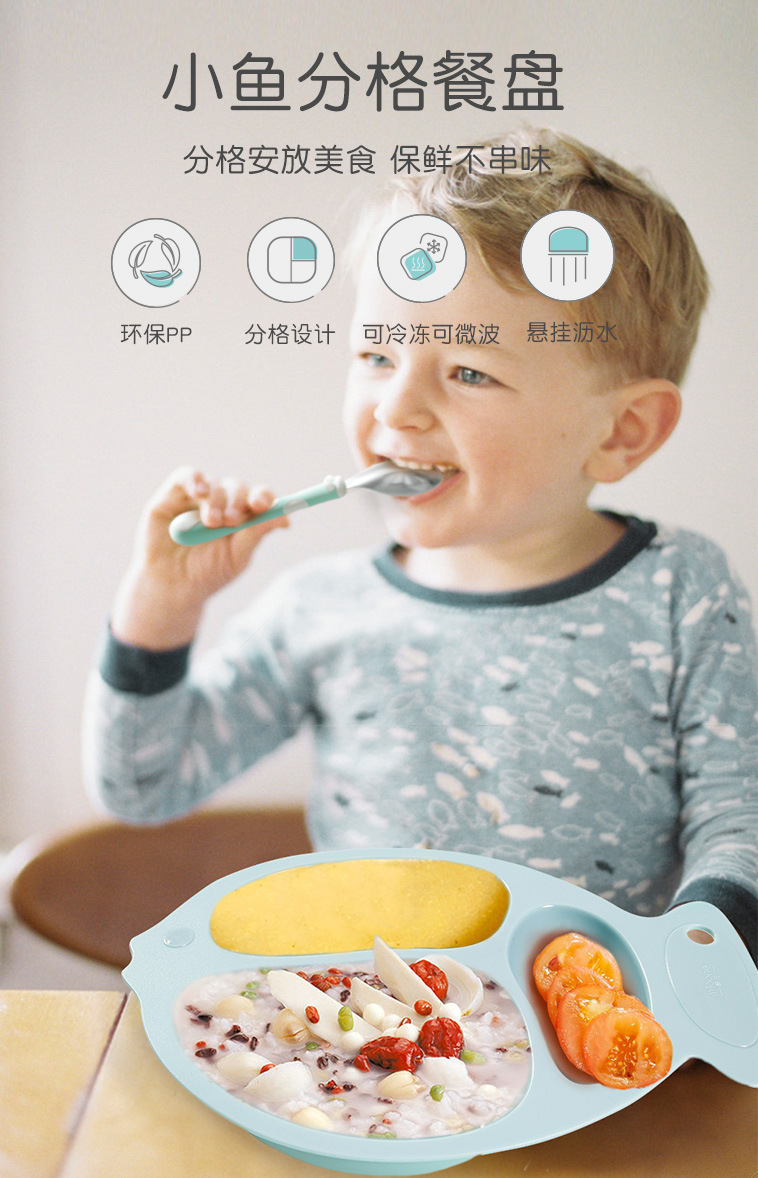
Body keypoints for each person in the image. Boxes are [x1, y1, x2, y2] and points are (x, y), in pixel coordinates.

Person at [84, 130, 757, 958]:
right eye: (376, 353)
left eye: (470, 372)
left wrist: (689, 975)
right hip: (373, 1061)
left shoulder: (682, 593)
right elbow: (140, 785)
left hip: (602, 1056)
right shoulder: (320, 609)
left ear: (622, 430)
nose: (395, 409)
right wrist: (161, 607)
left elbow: (742, 822)